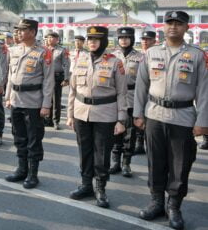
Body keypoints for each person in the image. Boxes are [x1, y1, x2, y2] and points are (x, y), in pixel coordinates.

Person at [133, 11, 208, 230]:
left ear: (186, 28)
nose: (173, 27)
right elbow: (141, 86)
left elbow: (204, 92)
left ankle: (174, 206)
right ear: (163, 27)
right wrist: (138, 113)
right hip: (155, 114)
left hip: (183, 117)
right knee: (155, 161)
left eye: (179, 23)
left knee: (180, 165)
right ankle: (156, 202)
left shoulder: (197, 55)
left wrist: (203, 121)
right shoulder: (151, 53)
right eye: (170, 23)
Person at [67, 26, 127, 208]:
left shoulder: (115, 62)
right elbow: (72, 89)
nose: (92, 42)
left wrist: (121, 119)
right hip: (81, 113)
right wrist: (70, 114)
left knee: (101, 153)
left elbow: (122, 93)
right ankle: (86, 185)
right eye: (89, 39)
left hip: (105, 114)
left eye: (96, 39)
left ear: (104, 41)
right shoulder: (80, 59)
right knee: (84, 150)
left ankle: (101, 188)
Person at [4, 19, 54, 189]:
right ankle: (21, 169)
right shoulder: (14, 50)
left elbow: (48, 81)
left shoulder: (44, 52)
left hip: (34, 101)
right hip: (16, 99)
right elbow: (11, 75)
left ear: (32, 32)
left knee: (34, 138)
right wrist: (8, 96)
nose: (18, 33)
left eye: (22, 30)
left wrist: (46, 105)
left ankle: (33, 174)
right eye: (17, 30)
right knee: (19, 136)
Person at [109, 27, 144, 178]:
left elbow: (144, 81)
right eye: (121, 38)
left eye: (127, 38)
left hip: (132, 97)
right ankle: (115, 162)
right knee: (115, 131)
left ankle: (126, 164)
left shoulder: (140, 57)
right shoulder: (111, 56)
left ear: (132, 39)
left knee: (130, 133)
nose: (124, 40)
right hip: (116, 98)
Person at [134, 30, 156, 154]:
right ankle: (139, 142)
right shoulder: (137, 55)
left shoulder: (156, 55)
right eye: (143, 39)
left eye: (148, 39)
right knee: (139, 114)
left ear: (154, 41)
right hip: (139, 91)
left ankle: (149, 143)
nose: (145, 41)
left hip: (152, 92)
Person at [44, 31, 70, 129]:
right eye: (49, 37)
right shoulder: (44, 49)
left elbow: (66, 64)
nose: (50, 39)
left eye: (52, 38)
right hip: (45, 77)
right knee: (47, 98)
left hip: (57, 76)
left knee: (56, 100)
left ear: (57, 39)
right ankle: (48, 119)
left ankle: (56, 121)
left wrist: (66, 78)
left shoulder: (62, 50)